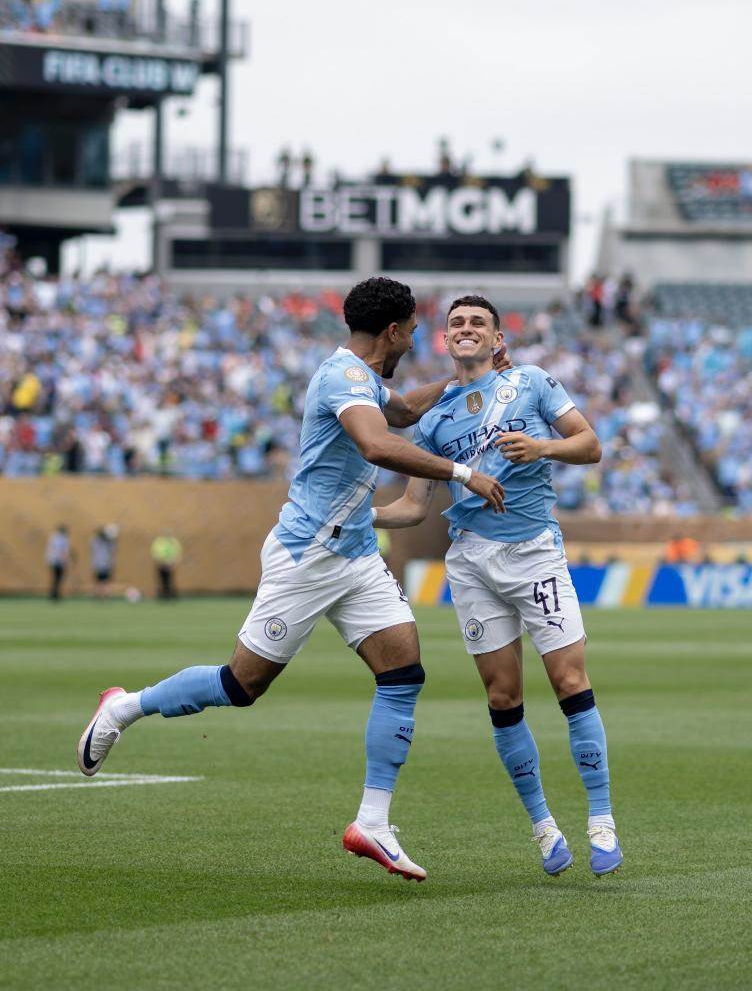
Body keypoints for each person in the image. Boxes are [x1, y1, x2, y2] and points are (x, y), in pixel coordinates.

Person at [77, 277, 506, 883]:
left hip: (355, 554)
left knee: (404, 673)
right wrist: (463, 473)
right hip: (307, 556)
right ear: (392, 331)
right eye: (412, 330)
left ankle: (373, 823)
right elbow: (377, 445)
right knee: (240, 685)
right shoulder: (343, 378)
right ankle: (124, 708)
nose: (415, 339)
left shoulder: (365, 379)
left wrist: (460, 381)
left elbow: (406, 412)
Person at [374, 295, 623, 877]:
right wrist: (353, 516)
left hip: (534, 552)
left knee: (569, 680)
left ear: (497, 339)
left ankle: (602, 819)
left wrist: (543, 447)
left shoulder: (532, 382)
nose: (466, 329)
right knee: (502, 696)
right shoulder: (432, 421)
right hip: (471, 564)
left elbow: (590, 445)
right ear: (446, 339)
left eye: (478, 323)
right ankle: (543, 827)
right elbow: (413, 507)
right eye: (457, 323)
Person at [151, 533, 182, 599]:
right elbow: (155, 553)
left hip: (170, 564)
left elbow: (177, 552)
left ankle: (170, 594)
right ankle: (163, 594)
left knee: (170, 579)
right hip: (161, 564)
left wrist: (173, 562)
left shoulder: (173, 542)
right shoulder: (159, 542)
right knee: (162, 579)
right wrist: (160, 561)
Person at [90, 525, 118, 599]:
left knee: (102, 581)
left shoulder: (97, 542)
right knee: (103, 581)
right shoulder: (105, 543)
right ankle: (103, 595)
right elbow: (113, 549)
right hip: (103, 564)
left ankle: (102, 595)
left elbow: (113, 549)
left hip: (101, 564)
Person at [45, 524, 71, 601]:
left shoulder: (54, 537)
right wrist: (65, 560)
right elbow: (61, 550)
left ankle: (54, 593)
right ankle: (55, 594)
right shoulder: (62, 538)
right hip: (57, 560)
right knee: (58, 578)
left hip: (53, 560)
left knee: (56, 578)